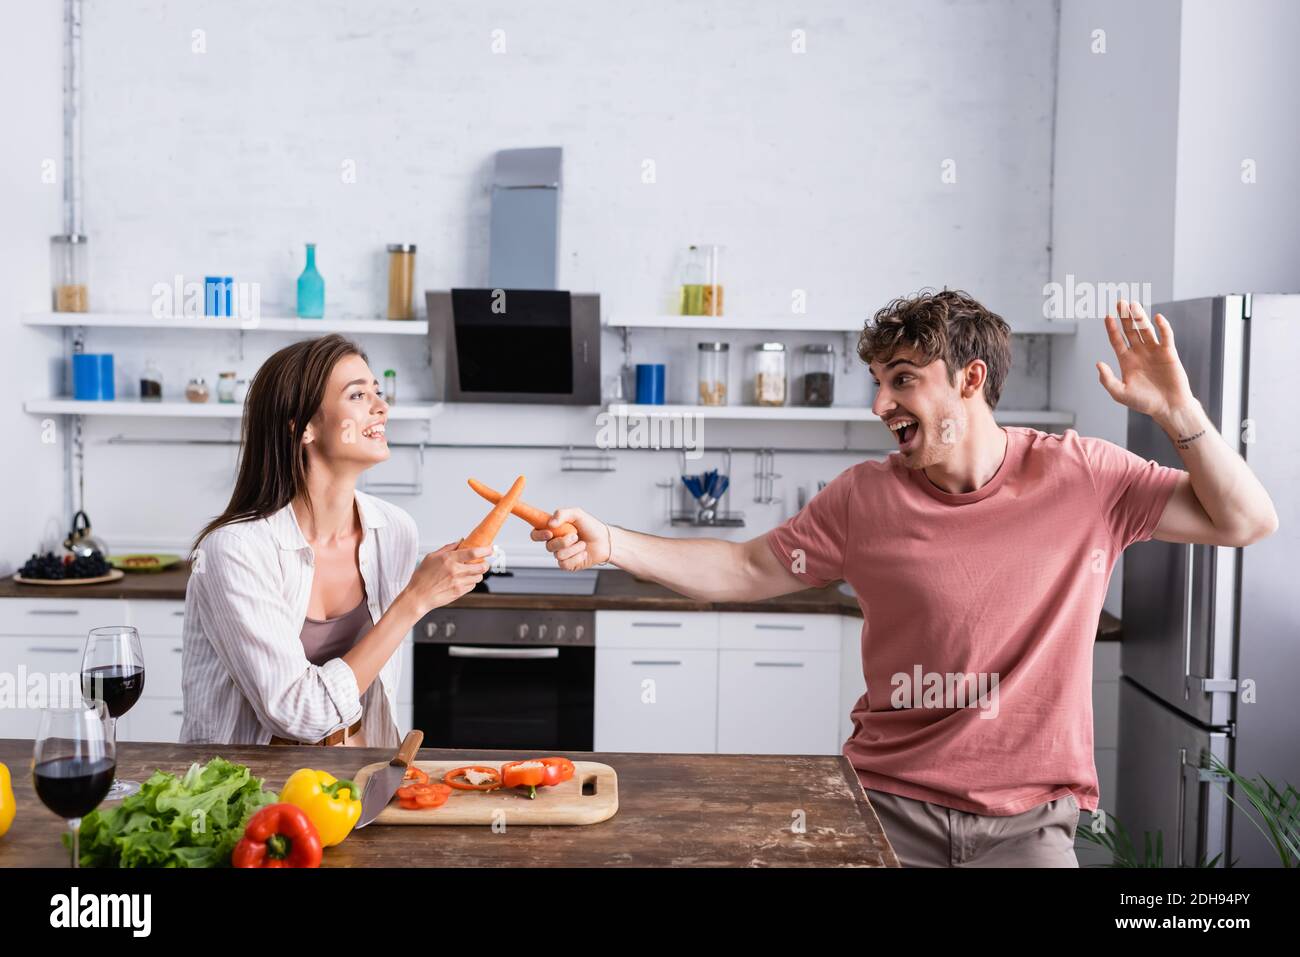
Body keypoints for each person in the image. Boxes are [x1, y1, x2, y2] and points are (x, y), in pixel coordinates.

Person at [533, 290, 1278, 867]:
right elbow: (746, 565)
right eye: (878, 382)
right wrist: (610, 542)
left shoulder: (1083, 476)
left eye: (902, 381)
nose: (880, 404)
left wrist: (1180, 411)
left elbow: (1244, 520)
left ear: (970, 380)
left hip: (1029, 826)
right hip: (885, 807)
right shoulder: (865, 496)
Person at [181, 335, 490, 748]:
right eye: (358, 395)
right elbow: (297, 716)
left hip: (359, 772)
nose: (381, 407)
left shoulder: (393, 530)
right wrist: (415, 600)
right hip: (248, 793)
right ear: (303, 426)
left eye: (377, 392)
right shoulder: (234, 550)